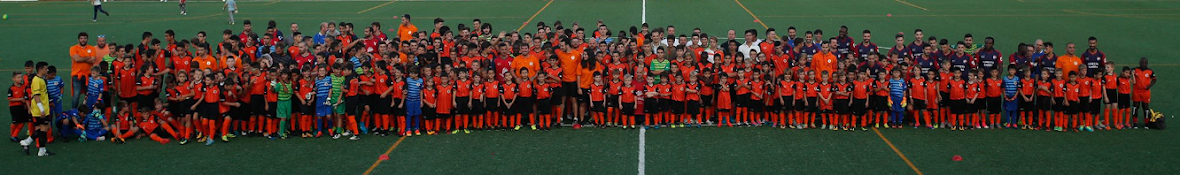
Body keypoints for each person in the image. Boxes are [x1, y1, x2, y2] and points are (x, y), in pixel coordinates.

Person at [1131, 57, 1155, 129]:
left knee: (1145, 107)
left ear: (1147, 64)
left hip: (1145, 92)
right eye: (1142, 62)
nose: (1143, 64)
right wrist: (1131, 70)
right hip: (1136, 91)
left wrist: (1149, 86)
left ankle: (1146, 123)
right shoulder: (1135, 70)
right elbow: (1130, 71)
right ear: (1139, 63)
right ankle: (1135, 123)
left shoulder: (1150, 71)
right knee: (1135, 107)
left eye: (1145, 63)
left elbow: (1154, 79)